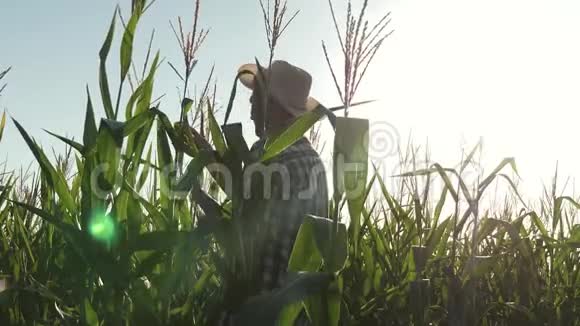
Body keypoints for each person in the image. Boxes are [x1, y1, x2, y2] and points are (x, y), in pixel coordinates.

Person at [226, 60, 329, 324]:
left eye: (256, 98)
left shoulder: (292, 163)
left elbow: (267, 249)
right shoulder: (264, 153)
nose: (250, 106)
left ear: (276, 106)